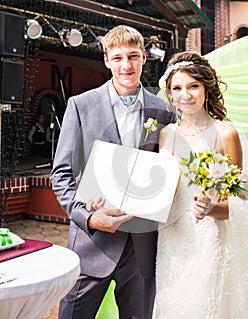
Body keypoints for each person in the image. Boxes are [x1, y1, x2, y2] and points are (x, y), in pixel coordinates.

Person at [50, 25, 174, 319]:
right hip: (92, 245)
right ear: (107, 60)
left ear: (144, 57)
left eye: (133, 56)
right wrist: (89, 217)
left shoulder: (163, 111)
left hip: (142, 248)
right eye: (118, 58)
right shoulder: (81, 105)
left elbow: (168, 172)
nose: (126, 65)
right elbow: (61, 174)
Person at [154, 51, 248, 318]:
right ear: (170, 93)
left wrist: (210, 208)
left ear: (207, 88)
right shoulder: (165, 134)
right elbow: (160, 190)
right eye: (177, 88)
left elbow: (238, 205)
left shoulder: (225, 133)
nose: (186, 94)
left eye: (193, 86)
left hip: (208, 239)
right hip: (172, 237)